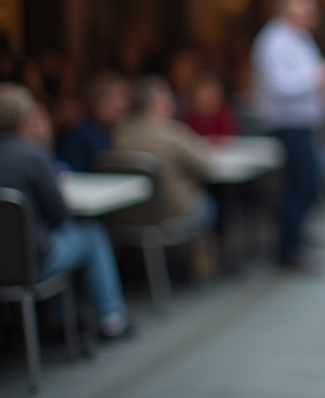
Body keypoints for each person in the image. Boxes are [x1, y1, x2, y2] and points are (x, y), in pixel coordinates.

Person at [0, 83, 136, 339]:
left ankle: (59, 318)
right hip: (31, 265)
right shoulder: (33, 156)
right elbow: (60, 216)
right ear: (25, 117)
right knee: (91, 233)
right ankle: (110, 319)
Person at [251, 0, 325, 270]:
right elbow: (281, 86)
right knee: (301, 184)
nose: (312, 17)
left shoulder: (296, 38)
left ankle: (296, 236)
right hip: (288, 125)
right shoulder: (275, 42)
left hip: (304, 123)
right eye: (307, 11)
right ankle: (289, 248)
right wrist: (319, 76)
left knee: (307, 183)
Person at [112, 76, 215, 228]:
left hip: (131, 216)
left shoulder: (120, 133)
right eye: (168, 100)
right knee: (209, 205)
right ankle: (201, 250)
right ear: (156, 104)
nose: (171, 106)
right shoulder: (172, 131)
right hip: (174, 215)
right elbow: (204, 166)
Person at [55, 72, 129, 172]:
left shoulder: (106, 130)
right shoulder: (78, 133)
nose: (124, 104)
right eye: (120, 96)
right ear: (101, 102)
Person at [182, 72, 240, 139]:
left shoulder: (227, 120)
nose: (209, 103)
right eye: (205, 100)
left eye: (212, 98)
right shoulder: (186, 124)